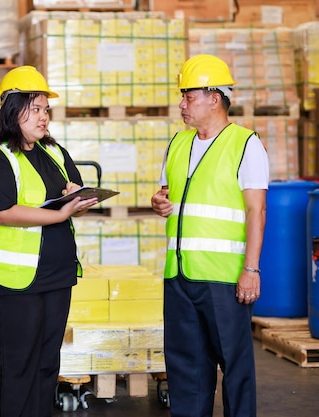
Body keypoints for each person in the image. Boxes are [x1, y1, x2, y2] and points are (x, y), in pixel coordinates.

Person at [0, 65, 98, 417]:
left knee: (45, 363)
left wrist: (78, 199)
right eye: (35, 108)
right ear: (12, 109)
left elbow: (72, 203)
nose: (44, 117)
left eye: (46, 109)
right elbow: (0, 212)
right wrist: (59, 214)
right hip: (10, 281)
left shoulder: (54, 153)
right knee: (17, 364)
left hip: (55, 275)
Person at [151, 54, 269, 417]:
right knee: (186, 369)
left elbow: (256, 210)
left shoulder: (245, 145)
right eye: (182, 96)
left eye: (189, 96)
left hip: (224, 278)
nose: (182, 103)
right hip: (180, 276)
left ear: (214, 97)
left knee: (234, 368)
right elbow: (167, 194)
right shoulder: (177, 144)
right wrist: (158, 202)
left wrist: (251, 269)